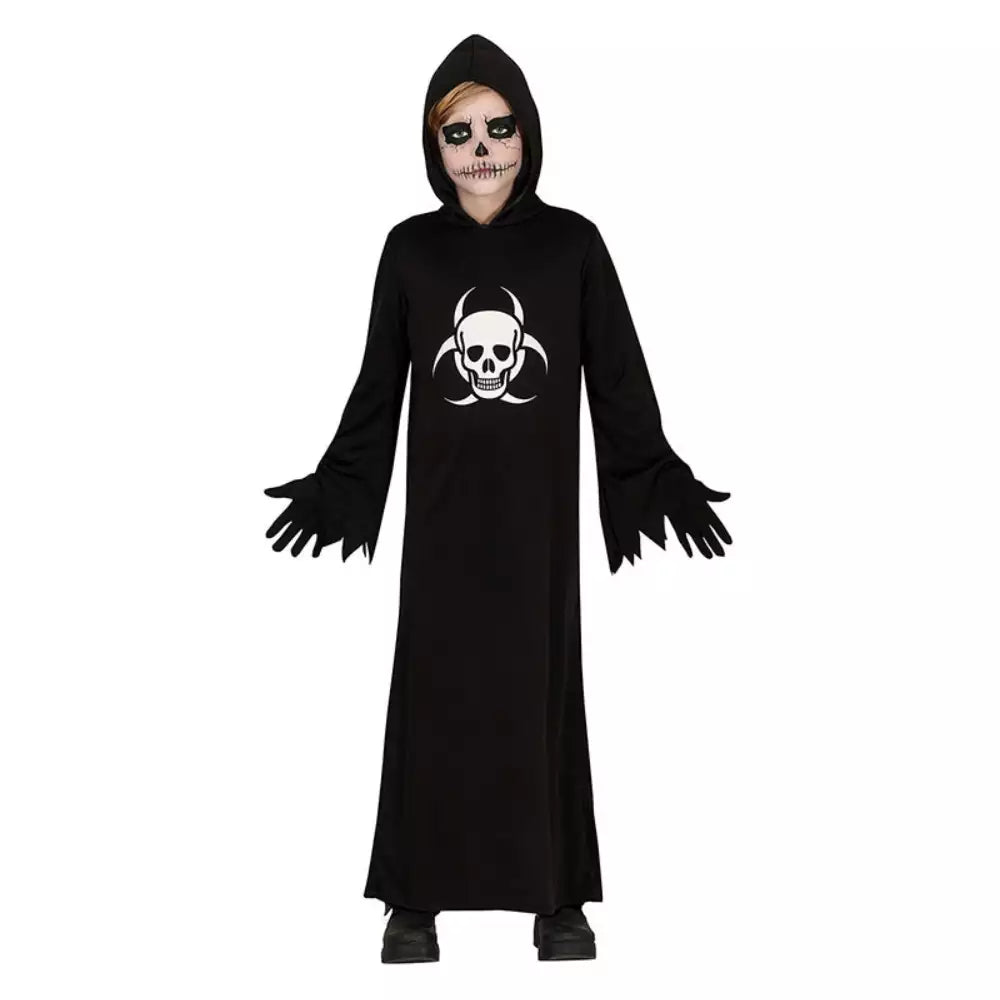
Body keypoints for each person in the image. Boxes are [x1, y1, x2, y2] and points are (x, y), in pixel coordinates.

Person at [264, 33, 732, 963]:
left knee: (540, 695)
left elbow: (618, 378)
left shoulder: (573, 245)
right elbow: (379, 386)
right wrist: (344, 482)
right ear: (433, 146)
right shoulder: (410, 251)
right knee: (432, 694)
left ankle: (558, 897)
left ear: (528, 134)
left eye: (498, 127)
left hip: (537, 525)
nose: (481, 148)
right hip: (441, 525)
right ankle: (414, 897)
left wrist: (653, 472)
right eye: (459, 133)